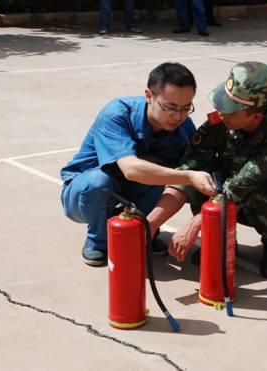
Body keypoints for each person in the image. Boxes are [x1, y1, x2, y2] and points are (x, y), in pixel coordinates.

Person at [147, 61, 267, 278]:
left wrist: (196, 223)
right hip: (230, 199)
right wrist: (152, 222)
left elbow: (244, 183)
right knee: (201, 177)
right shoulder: (219, 125)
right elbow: (189, 169)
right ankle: (219, 239)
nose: (220, 112)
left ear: (255, 116)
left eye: (229, 110)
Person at [60, 62, 217, 266]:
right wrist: (188, 176)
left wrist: (194, 219)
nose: (178, 116)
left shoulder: (184, 127)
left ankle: (143, 232)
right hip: (84, 193)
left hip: (132, 190)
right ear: (149, 96)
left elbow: (186, 180)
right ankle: (98, 241)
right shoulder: (117, 113)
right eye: (170, 107)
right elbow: (131, 169)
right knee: (100, 181)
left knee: (163, 175)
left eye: (185, 108)